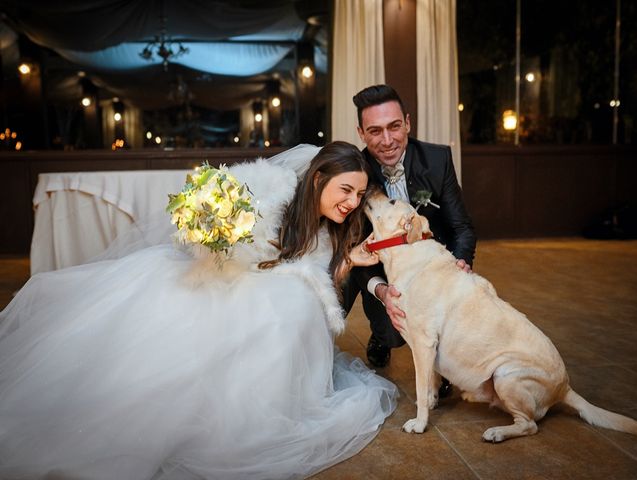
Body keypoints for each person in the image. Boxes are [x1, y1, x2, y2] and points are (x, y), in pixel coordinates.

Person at [0, 141, 397, 480]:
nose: (352, 203)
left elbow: (314, 277)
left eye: (359, 196)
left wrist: (350, 261)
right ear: (317, 178)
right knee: (242, 321)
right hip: (227, 279)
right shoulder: (276, 194)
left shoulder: (334, 228)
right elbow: (254, 256)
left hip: (270, 287)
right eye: (346, 190)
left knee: (291, 303)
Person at [343, 84, 477, 375]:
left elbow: (462, 227)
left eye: (394, 126)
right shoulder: (356, 171)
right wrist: (381, 290)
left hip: (431, 268)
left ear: (408, 123)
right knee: (392, 334)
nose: (388, 140)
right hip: (381, 267)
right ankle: (380, 338)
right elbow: (352, 245)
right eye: (375, 131)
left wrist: (460, 264)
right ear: (361, 133)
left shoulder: (438, 160)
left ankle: (444, 363)